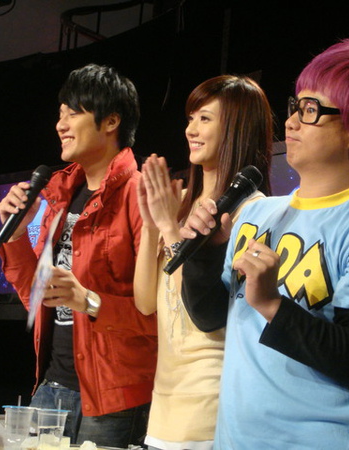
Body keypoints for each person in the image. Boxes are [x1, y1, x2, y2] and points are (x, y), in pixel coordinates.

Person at [179, 38, 349, 449]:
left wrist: (272, 304)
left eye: (311, 110)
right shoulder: (256, 215)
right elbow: (209, 317)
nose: (291, 122)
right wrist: (203, 252)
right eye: (296, 106)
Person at [0, 64, 157, 448]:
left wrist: (88, 300)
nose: (60, 125)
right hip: (51, 387)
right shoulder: (58, 193)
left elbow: (158, 317)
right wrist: (16, 234)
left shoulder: (141, 195)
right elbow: (36, 296)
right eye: (60, 114)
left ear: (111, 121)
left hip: (114, 397)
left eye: (73, 113)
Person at [133, 75, 273, 450]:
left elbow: (205, 315)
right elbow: (145, 303)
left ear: (237, 129)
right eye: (191, 118)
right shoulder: (180, 204)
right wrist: (151, 225)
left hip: (211, 410)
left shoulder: (253, 211)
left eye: (205, 119)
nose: (191, 130)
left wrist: (169, 228)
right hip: (163, 413)